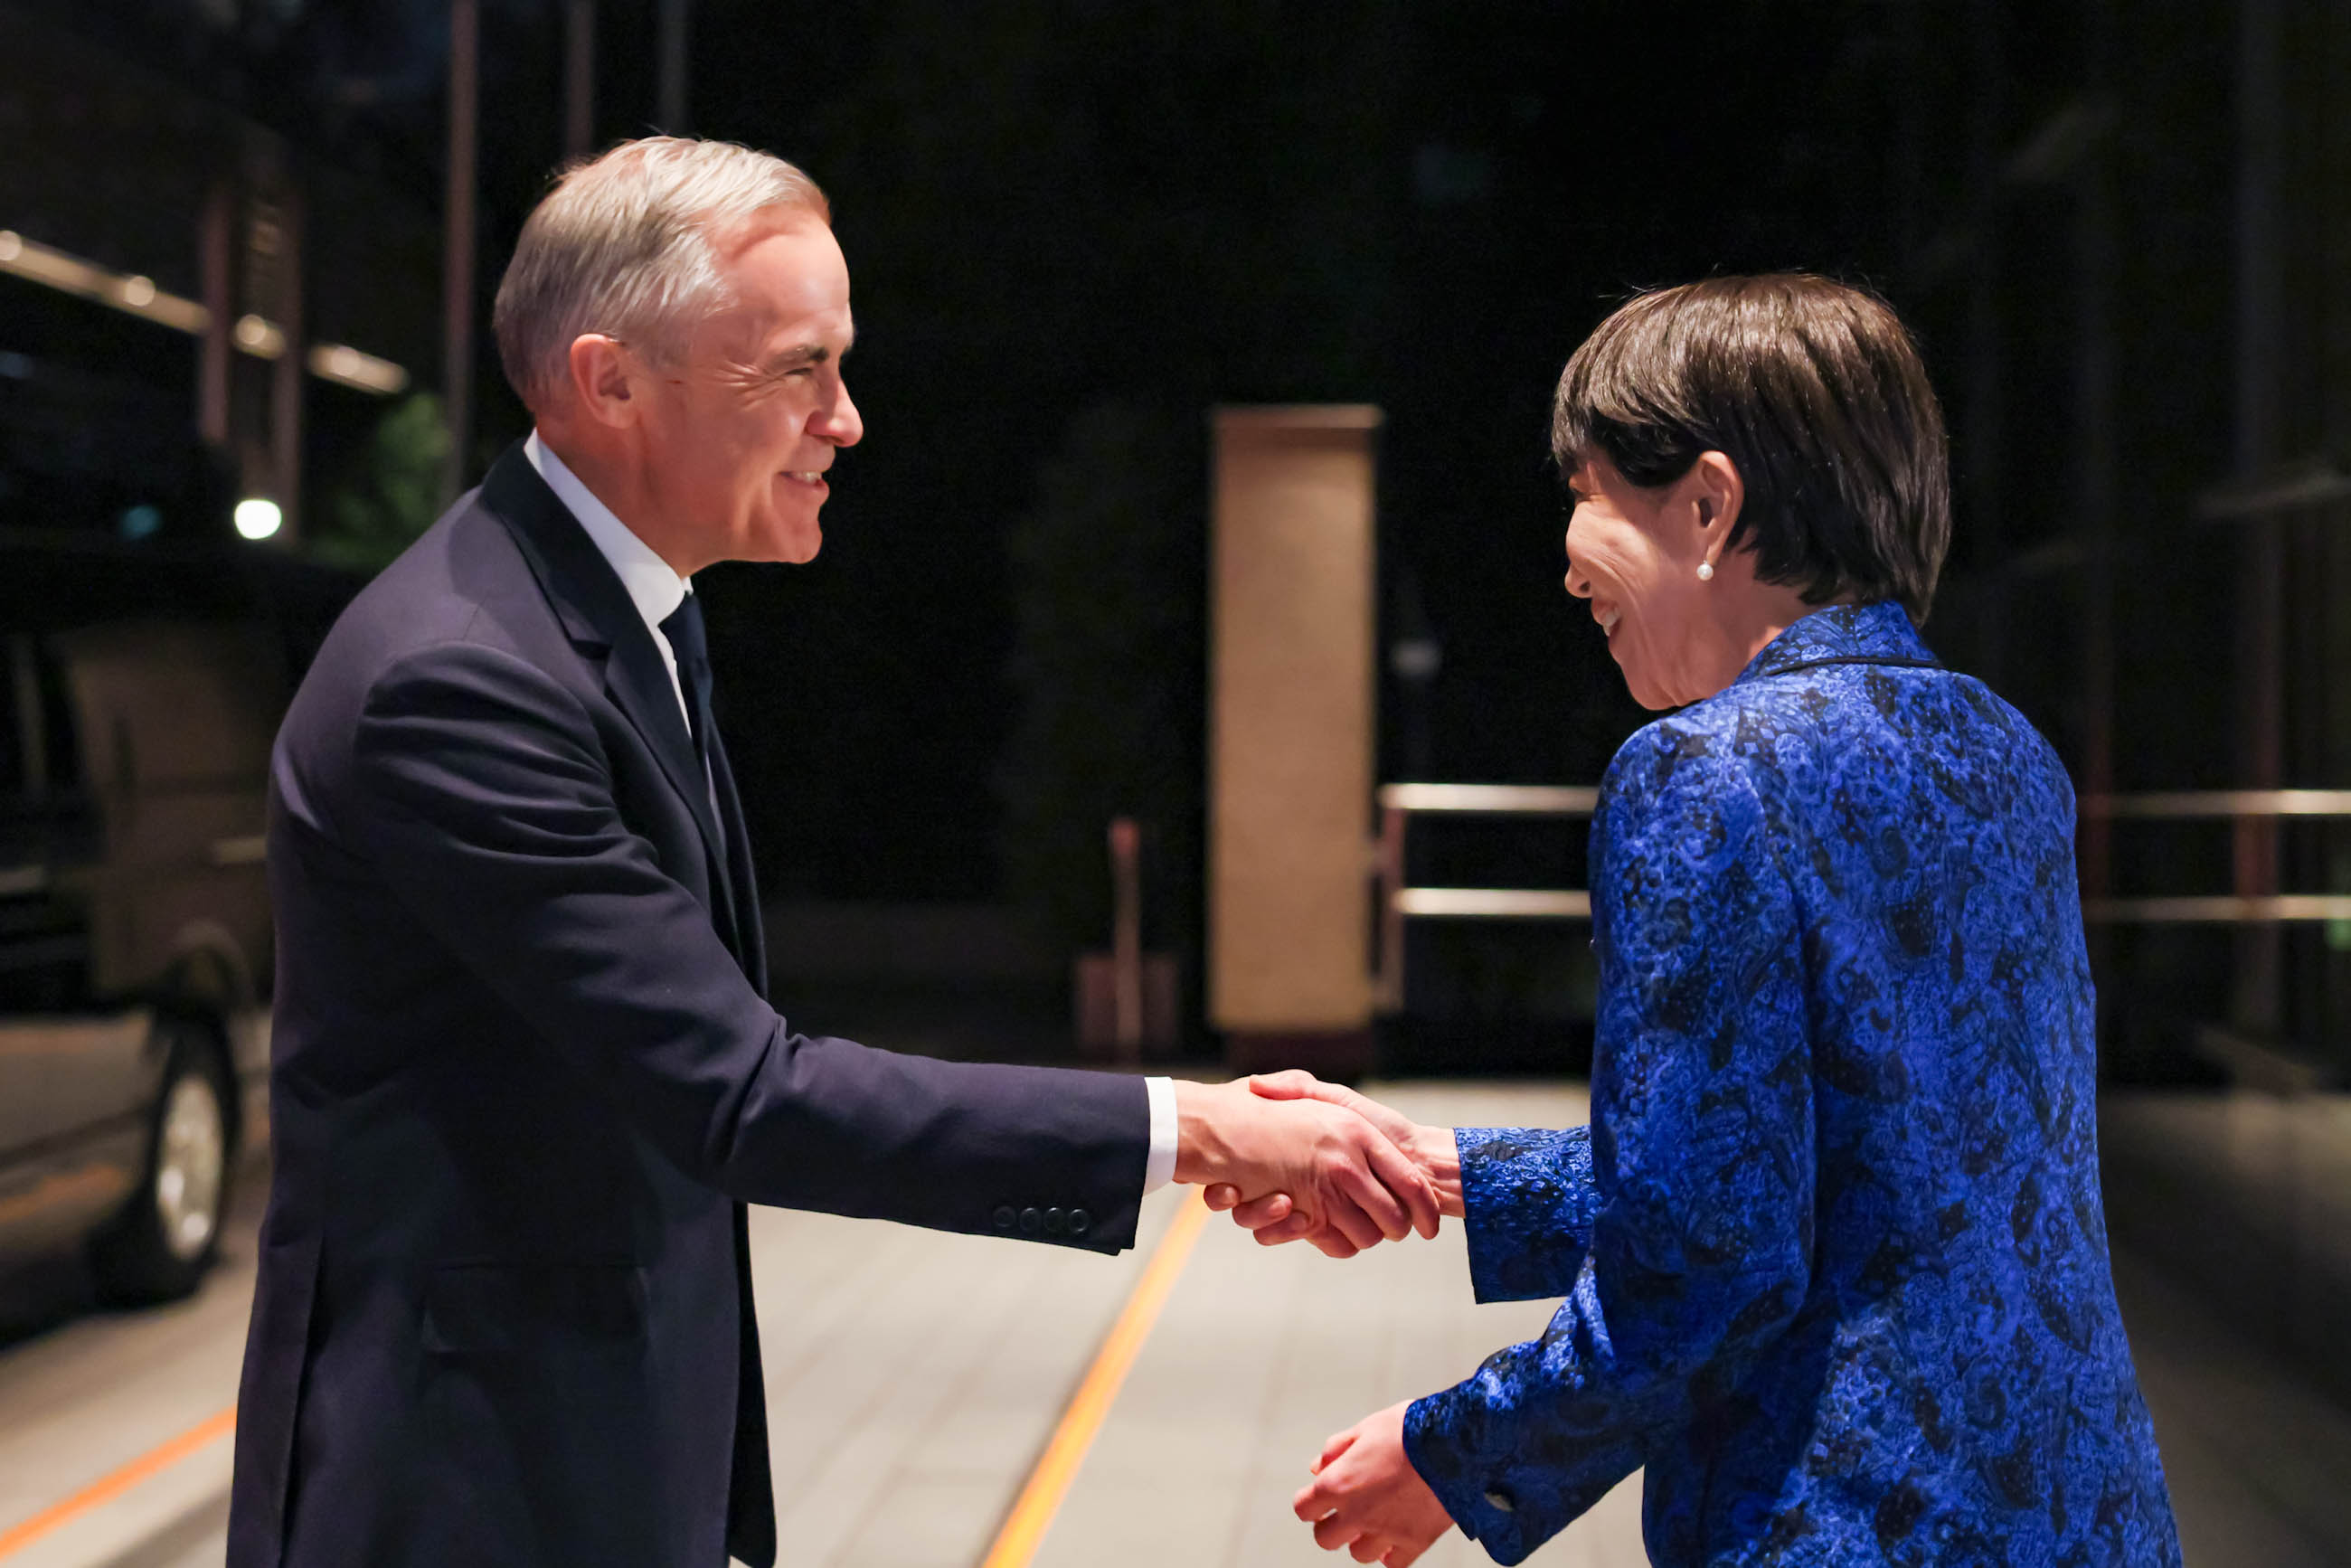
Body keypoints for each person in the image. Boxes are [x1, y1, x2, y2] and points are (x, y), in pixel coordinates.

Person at [224, 137, 1435, 1568]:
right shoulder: (461, 679)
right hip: (462, 1484)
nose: (845, 419)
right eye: (796, 369)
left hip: (575, 1446)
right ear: (611, 381)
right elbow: (744, 1091)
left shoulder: (622, 610)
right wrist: (1204, 1130)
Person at [1210, 276, 2183, 1567]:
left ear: (1712, 505)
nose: (1566, 560)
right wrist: (1449, 1173)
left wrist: (1457, 1452)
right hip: (2087, 1516)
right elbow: (1848, 1175)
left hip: (1843, 1527)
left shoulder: (1705, 771)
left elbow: (1710, 1259)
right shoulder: (2009, 754)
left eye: (1592, 491)